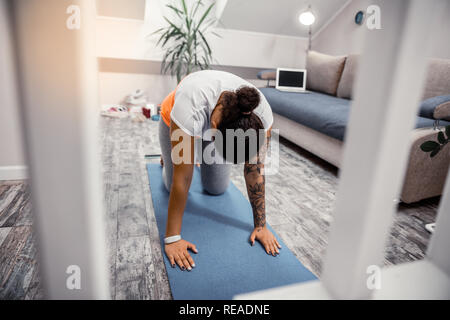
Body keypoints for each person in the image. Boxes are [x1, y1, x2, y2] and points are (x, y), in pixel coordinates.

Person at [159, 70, 281, 271]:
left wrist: (261, 226)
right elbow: (183, 178)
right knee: (172, 180)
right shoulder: (190, 107)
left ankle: (190, 154)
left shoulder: (262, 115)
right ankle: (168, 157)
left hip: (217, 124)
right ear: (214, 131)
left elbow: (255, 171)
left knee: (217, 188)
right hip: (174, 119)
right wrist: (172, 238)